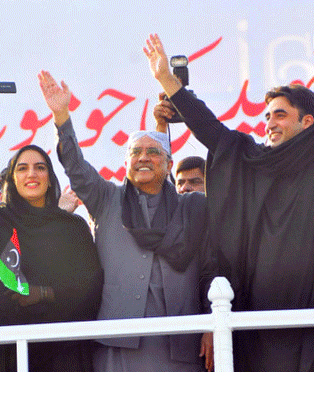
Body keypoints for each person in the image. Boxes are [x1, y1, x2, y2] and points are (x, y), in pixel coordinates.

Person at [144, 16, 314, 371]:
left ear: (308, 121)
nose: (270, 123)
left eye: (280, 115)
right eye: (266, 117)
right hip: (259, 317)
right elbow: (211, 130)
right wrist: (168, 81)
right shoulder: (251, 157)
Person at [39, 70, 217, 372]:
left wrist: (213, 324)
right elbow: (76, 168)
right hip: (118, 344)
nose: (144, 158)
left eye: (153, 152)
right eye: (136, 152)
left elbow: (213, 268)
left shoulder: (193, 206)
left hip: (180, 344)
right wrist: (61, 116)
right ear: (126, 163)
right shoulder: (107, 198)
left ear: (169, 164)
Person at [0, 145, 103, 371]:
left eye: (40, 168)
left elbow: (89, 284)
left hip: (61, 348)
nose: (32, 174)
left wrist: (42, 293)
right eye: (22, 169)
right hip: (4, 350)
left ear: (50, 179)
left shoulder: (72, 227)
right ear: (13, 179)